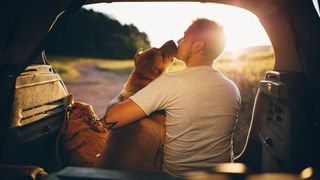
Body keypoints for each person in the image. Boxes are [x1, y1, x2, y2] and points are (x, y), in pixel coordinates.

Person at [103, 18, 241, 176]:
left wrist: (123, 95)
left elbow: (110, 120)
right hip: (220, 177)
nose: (178, 41)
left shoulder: (169, 83)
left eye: (184, 37)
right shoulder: (232, 88)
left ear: (197, 46)